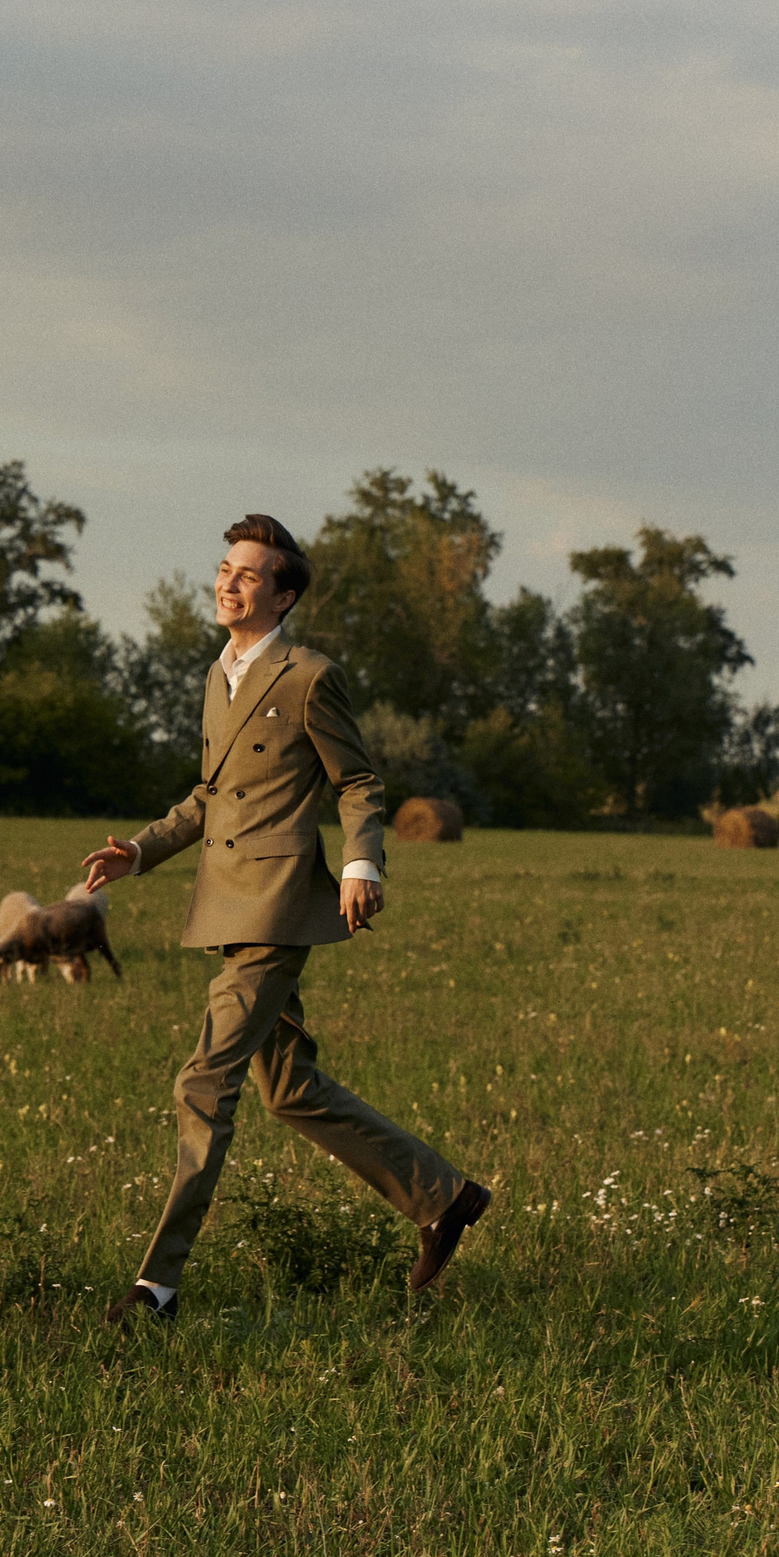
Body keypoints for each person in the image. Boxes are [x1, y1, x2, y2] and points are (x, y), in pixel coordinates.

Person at [80, 514, 489, 1324]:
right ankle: (445, 1197)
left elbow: (359, 783)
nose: (228, 583)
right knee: (290, 1088)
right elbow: (207, 796)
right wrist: (141, 851)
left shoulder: (309, 676)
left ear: (284, 594)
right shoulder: (216, 675)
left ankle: (156, 1287)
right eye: (225, 569)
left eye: (248, 575)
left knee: (203, 1081)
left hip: (276, 907)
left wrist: (364, 863)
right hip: (222, 903)